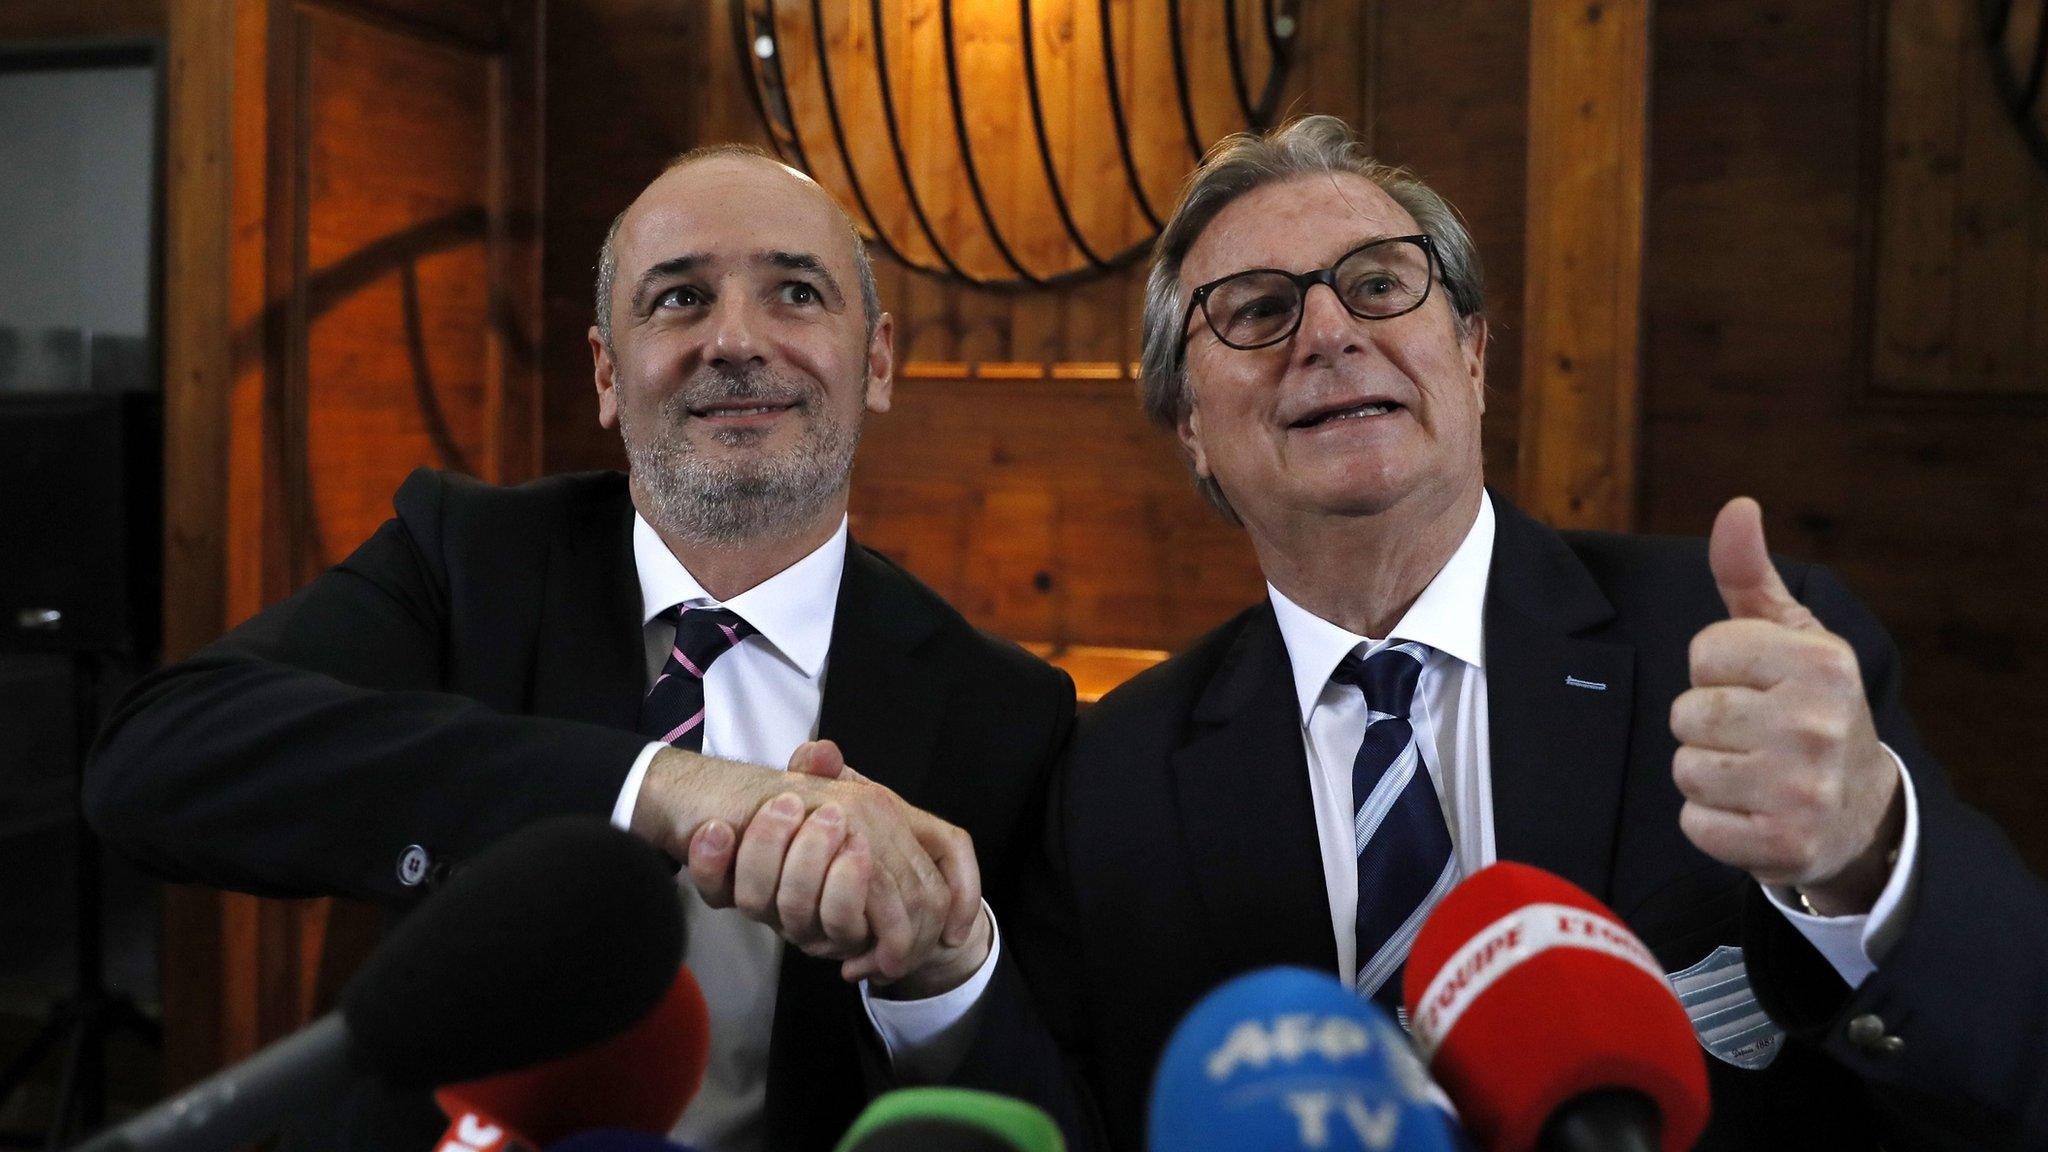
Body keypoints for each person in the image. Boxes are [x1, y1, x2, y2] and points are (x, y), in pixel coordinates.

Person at [971, 116, 2048, 1151]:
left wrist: (1867, 859)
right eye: (1255, 311)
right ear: (1190, 429)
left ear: (1473, 355)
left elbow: (2013, 1066)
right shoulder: (1110, 774)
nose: (1329, 333)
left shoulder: (1738, 653)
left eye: (1379, 284)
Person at [84, 144, 1074, 1152]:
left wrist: (943, 968)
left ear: (876, 362)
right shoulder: (464, 559)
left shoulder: (1004, 711)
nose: (733, 339)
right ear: (607, 372)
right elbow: (154, 757)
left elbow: (1056, 1114)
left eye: (794, 292)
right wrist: (659, 785)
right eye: (678, 299)